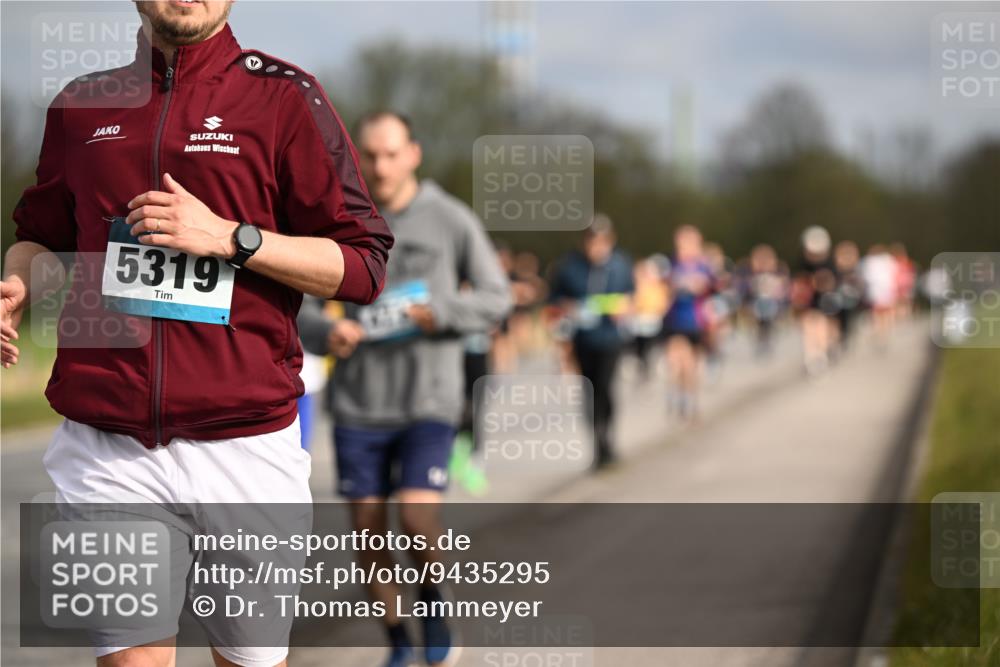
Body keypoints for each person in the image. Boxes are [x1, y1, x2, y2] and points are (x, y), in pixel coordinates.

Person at [0, 3, 393, 667]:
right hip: (108, 445)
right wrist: (18, 284)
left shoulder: (283, 98)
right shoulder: (81, 106)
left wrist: (231, 238)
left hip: (244, 447)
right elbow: (44, 236)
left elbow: (362, 265)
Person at [325, 111, 510, 667]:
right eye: (370, 155)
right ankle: (399, 642)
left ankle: (432, 604)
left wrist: (442, 311)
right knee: (368, 535)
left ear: (414, 153)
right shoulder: (338, 217)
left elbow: (497, 297)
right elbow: (303, 305)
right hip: (359, 404)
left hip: (428, 399)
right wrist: (327, 330)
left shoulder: (450, 219)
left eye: (390, 153)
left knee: (417, 517)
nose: (379, 166)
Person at [549, 216, 635, 469]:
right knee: (589, 392)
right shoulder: (568, 267)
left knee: (606, 389)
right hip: (582, 339)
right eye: (591, 242)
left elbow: (632, 296)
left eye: (601, 242)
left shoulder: (621, 265)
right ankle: (597, 442)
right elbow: (554, 301)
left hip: (610, 337)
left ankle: (608, 438)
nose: (596, 248)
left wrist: (624, 307)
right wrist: (568, 309)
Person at [661, 225, 714, 420]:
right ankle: (676, 395)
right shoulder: (671, 263)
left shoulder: (704, 264)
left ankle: (690, 397)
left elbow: (711, 288)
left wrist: (698, 285)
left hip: (696, 320)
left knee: (691, 364)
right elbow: (662, 288)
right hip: (674, 319)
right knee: (675, 359)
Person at [792, 226, 838, 376]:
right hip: (807, 300)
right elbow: (798, 282)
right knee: (808, 326)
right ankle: (811, 355)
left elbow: (832, 283)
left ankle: (820, 354)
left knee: (821, 326)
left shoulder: (829, 263)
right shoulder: (803, 262)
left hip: (823, 299)